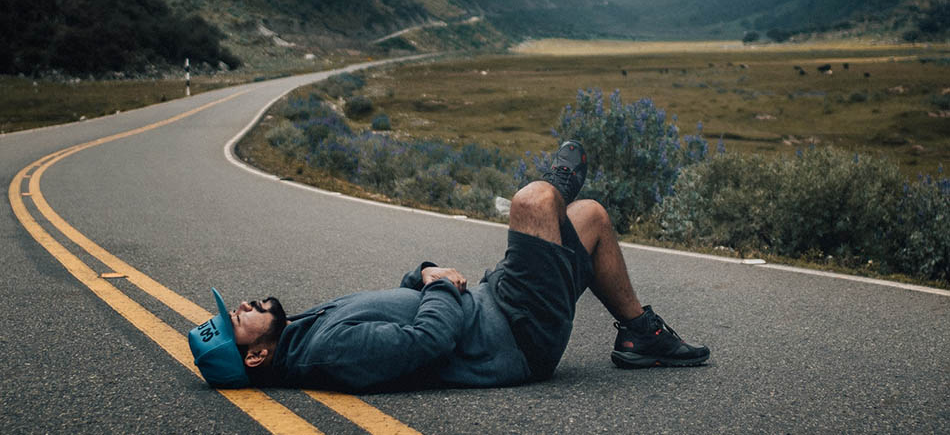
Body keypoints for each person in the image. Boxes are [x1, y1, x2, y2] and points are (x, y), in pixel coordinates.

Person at [189, 141, 710, 389]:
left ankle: (641, 334)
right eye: (237, 319)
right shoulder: (327, 351)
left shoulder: (302, 331)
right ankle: (557, 180)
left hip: (494, 302)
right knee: (533, 202)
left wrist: (423, 275)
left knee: (590, 218)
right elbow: (425, 342)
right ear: (255, 357)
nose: (242, 305)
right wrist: (439, 287)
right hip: (516, 333)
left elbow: (405, 307)